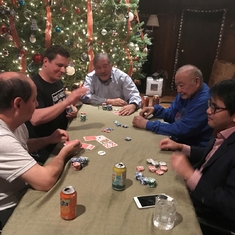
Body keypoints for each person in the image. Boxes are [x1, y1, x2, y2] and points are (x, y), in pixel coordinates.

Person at [0, 72, 82, 230]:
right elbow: (45, 181)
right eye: (33, 100)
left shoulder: (14, 121)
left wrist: (48, 139)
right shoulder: (2, 138)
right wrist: (64, 152)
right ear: (17, 104)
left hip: (22, 188)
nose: (37, 104)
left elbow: (22, 146)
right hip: (8, 207)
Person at [159, 78, 235, 234]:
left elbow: (230, 205)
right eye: (209, 104)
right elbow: (212, 156)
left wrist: (190, 175)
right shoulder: (222, 130)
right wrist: (181, 147)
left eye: (215, 107)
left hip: (206, 216)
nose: (208, 111)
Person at [26, 45, 88, 163]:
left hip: (62, 136)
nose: (63, 70)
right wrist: (67, 102)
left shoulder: (56, 80)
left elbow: (58, 102)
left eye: (65, 66)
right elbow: (35, 118)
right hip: (44, 147)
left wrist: (70, 108)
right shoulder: (33, 86)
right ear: (45, 61)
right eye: (59, 65)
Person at [132, 65, 213, 147]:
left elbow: (182, 129)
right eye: (177, 86)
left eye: (181, 85)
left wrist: (147, 124)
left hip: (195, 148)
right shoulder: (187, 93)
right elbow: (172, 113)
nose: (178, 90)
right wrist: (155, 110)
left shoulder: (205, 100)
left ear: (196, 82)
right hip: (182, 139)